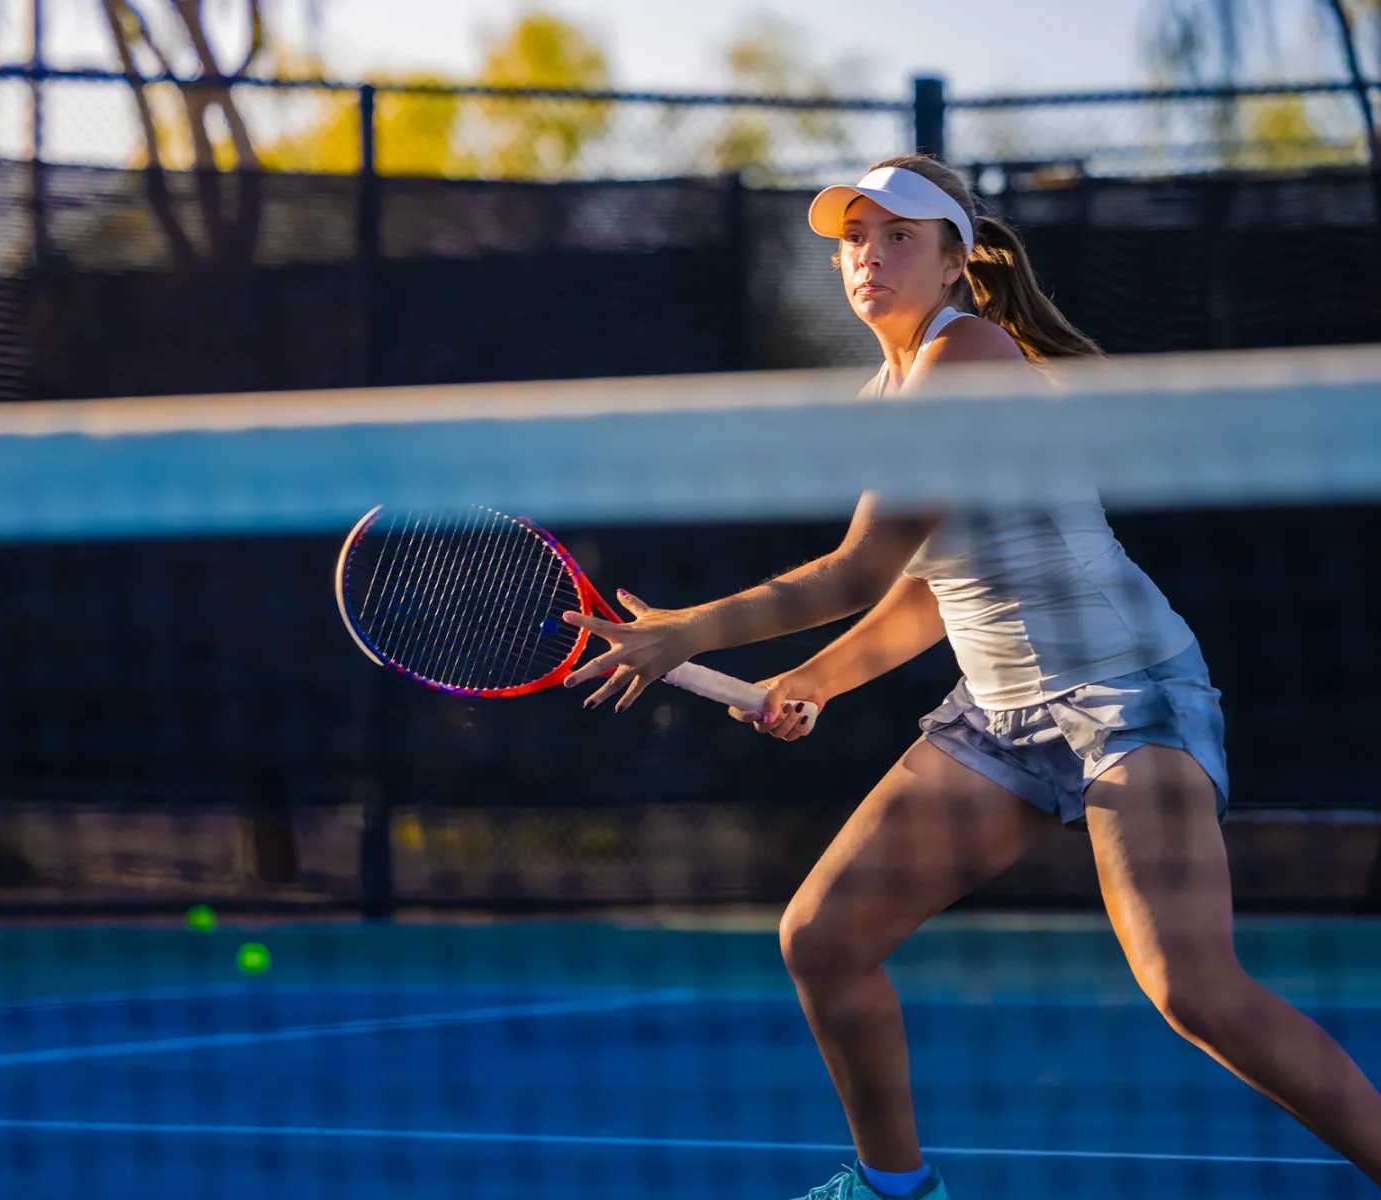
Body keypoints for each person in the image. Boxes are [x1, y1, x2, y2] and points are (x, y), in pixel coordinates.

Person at [560, 154, 1381, 1198]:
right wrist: (811, 679)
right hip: (996, 718)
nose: (869, 255)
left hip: (1129, 695)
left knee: (1192, 988)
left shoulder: (972, 357)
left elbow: (854, 567)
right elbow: (916, 591)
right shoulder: (887, 392)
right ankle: (894, 1188)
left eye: (899, 234)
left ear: (954, 260)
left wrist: (687, 629)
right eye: (855, 236)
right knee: (823, 939)